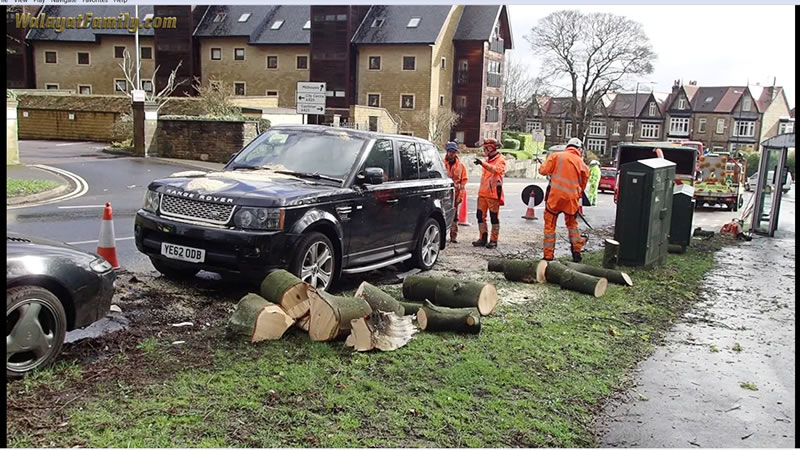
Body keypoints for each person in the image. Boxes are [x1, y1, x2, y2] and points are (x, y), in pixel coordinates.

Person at [539, 137, 590, 262]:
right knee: (572, 225)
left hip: (555, 198)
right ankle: (576, 252)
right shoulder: (581, 163)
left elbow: (543, 171)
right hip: (571, 200)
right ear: (579, 149)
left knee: (550, 226)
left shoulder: (556, 156)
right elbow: (583, 184)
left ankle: (548, 256)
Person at [472, 138, 506, 249]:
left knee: (494, 218)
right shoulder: (487, 160)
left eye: (486, 147)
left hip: (493, 195)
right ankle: (483, 238)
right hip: (483, 193)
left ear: (491, 148)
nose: (484, 149)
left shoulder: (501, 160)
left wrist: (483, 163)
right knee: (480, 216)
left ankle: (493, 240)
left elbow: (496, 170)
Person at [444, 141, 468, 243]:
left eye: (453, 152)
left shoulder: (461, 166)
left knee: (454, 216)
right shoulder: (441, 163)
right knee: (443, 215)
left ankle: (453, 236)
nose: (451, 153)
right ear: (447, 152)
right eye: (449, 151)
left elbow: (463, 182)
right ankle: (442, 236)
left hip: (455, 195)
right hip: (444, 194)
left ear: (456, 153)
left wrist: (460, 196)